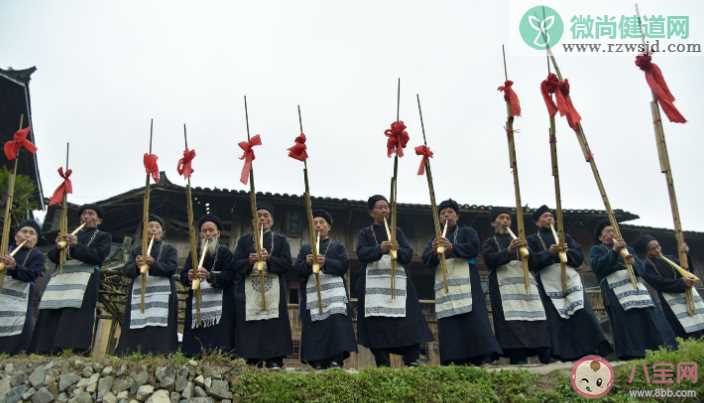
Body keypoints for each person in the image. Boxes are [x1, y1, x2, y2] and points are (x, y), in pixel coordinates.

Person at [527, 205, 611, 361]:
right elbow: (530, 262)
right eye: (545, 216)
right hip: (548, 281)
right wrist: (549, 253)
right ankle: (560, 354)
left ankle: (590, 349)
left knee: (582, 312)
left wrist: (567, 252)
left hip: (570, 278)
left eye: (550, 216)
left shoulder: (564, 237)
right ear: (537, 222)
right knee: (555, 318)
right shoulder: (532, 240)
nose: (549, 218)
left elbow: (579, 257)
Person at [356, 194, 432, 367]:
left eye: (386, 207)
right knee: (378, 324)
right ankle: (382, 362)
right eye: (380, 207)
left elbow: (408, 255)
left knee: (408, 322)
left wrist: (397, 249)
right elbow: (361, 254)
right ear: (371, 212)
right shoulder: (365, 233)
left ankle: (412, 359)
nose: (384, 210)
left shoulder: (396, 232)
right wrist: (379, 248)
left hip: (398, 284)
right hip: (374, 287)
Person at [423, 199, 501, 365]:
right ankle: (453, 357)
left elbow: (474, 248)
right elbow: (426, 260)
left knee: (474, 316)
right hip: (445, 284)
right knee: (450, 320)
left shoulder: (467, 231)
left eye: (450, 212)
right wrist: (434, 251)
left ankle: (482, 355)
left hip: (467, 279)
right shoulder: (435, 238)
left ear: (457, 216)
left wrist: (452, 248)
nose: (446, 216)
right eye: (443, 213)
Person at [31, 204, 112, 354]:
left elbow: (98, 257)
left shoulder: (103, 236)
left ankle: (71, 349)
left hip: (85, 279)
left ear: (99, 220)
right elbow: (53, 258)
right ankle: (45, 348)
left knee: (74, 315)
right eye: (84, 214)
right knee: (53, 310)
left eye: (91, 213)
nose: (86, 216)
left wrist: (76, 245)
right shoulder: (69, 235)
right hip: (61, 279)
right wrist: (58, 247)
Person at [590, 221, 676, 359]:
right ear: (601, 237)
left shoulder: (628, 249)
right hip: (615, 290)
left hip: (636, 288)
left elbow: (641, 270)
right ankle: (632, 353)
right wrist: (614, 251)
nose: (611, 234)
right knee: (627, 322)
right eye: (607, 231)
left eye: (613, 231)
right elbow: (598, 267)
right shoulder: (597, 249)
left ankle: (656, 349)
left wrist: (634, 263)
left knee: (648, 316)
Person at [481, 207, 549, 364]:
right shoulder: (490, 242)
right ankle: (518, 356)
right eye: (501, 218)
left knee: (535, 316)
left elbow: (534, 263)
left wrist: (527, 251)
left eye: (508, 218)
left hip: (526, 285)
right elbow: (489, 261)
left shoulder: (521, 241)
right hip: (503, 286)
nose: (505, 221)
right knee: (511, 323)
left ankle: (544, 354)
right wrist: (509, 250)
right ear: (493, 223)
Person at [293, 209, 356, 369]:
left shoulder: (337, 246)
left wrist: (325, 262)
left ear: (329, 227)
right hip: (313, 294)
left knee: (335, 324)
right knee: (316, 326)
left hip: (334, 293)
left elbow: (343, 266)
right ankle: (317, 360)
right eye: (315, 223)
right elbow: (297, 270)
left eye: (322, 223)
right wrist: (307, 263)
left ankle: (335, 359)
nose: (318, 226)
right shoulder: (306, 248)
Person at [233, 203, 293, 369]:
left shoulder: (280, 240)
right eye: (258, 216)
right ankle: (252, 359)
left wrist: (270, 259)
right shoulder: (244, 241)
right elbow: (235, 265)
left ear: (272, 221)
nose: (262, 219)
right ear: (253, 221)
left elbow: (288, 264)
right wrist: (249, 260)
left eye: (266, 215)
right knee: (253, 324)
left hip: (273, 289)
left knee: (273, 323)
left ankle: (275, 359)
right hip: (250, 290)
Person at [116, 214, 179, 355]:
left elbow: (171, 268)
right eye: (150, 227)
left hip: (162, 294)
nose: (153, 229)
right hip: (140, 292)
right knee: (137, 321)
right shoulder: (136, 250)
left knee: (159, 325)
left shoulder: (169, 249)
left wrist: (153, 264)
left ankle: (160, 352)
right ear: (145, 231)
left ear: (162, 232)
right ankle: (132, 352)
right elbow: (126, 270)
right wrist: (137, 267)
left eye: (157, 227)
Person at [180, 214, 236, 356]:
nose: (208, 234)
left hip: (219, 306)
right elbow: (182, 276)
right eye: (204, 231)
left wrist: (210, 276)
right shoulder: (194, 253)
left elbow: (231, 276)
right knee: (195, 342)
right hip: (197, 303)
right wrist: (188, 275)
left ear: (218, 233)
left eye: (211, 230)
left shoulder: (224, 252)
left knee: (217, 342)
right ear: (200, 234)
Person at [637, 234, 704, 339]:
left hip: (688, 295)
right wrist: (681, 283)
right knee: (685, 332)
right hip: (671, 302)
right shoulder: (646, 267)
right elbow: (660, 283)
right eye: (653, 249)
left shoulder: (670, 258)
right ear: (647, 252)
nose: (658, 250)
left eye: (658, 246)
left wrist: (685, 254)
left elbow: (687, 271)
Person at [0, 220, 46, 354]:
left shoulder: (37, 255)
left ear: (36, 240)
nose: (27, 236)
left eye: (32, 233)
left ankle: (16, 351)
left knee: (21, 326)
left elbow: (32, 275)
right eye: (24, 232)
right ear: (16, 236)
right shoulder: (5, 249)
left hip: (23, 298)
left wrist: (15, 267)